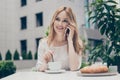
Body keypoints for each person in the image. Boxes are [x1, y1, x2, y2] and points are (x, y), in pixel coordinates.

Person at [36, 6, 84, 72]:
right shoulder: (43, 43)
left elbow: (74, 68)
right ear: (53, 21)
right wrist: (45, 62)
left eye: (65, 21)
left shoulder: (77, 42)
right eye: (57, 19)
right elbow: (40, 69)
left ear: (70, 24)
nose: (60, 24)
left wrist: (70, 40)